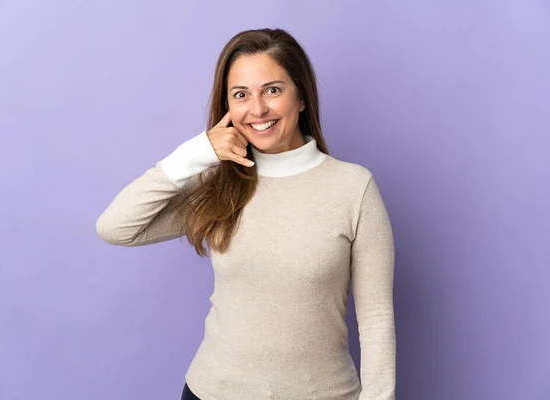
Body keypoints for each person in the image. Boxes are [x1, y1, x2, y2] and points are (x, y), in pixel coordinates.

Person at [96, 28, 396, 400]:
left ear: (301, 96)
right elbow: (115, 227)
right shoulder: (219, 183)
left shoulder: (353, 188)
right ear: (228, 107)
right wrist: (197, 152)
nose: (257, 109)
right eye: (241, 95)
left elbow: (377, 319)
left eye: (272, 90)